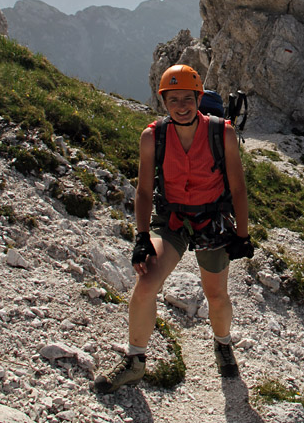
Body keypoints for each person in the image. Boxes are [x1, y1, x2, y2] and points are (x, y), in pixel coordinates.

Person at [94, 64, 253, 394]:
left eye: (187, 99)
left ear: (198, 98)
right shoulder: (153, 136)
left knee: (217, 296)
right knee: (146, 281)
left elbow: (238, 188)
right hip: (173, 220)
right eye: (173, 100)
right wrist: (140, 237)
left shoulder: (221, 133)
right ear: (163, 102)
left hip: (212, 220)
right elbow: (142, 189)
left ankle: (223, 345)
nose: (181, 106)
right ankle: (135, 361)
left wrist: (243, 234)